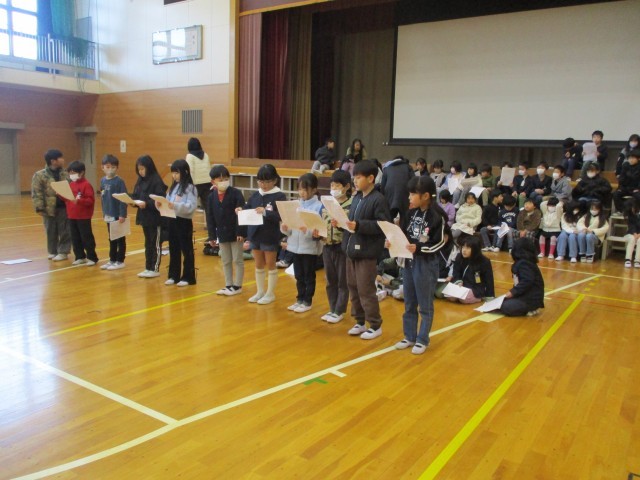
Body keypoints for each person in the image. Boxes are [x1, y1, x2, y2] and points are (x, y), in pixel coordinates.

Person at [334, 160, 391, 340]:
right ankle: (359, 321)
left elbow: (383, 225)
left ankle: (375, 324)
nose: (355, 181)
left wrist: (359, 225)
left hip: (366, 253)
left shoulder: (378, 199)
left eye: (358, 177)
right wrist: (341, 223)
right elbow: (352, 223)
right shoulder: (357, 198)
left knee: (366, 289)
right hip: (351, 250)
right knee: (352, 287)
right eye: (354, 177)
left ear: (371, 178)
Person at [392, 175, 448, 355]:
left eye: (412, 194)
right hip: (409, 262)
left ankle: (422, 339)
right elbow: (404, 236)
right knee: (409, 301)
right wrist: (393, 242)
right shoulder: (410, 213)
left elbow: (440, 242)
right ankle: (409, 336)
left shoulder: (437, 216)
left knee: (424, 304)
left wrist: (420, 248)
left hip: (426, 264)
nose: (409, 197)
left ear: (425, 196)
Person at [237, 164, 287, 304]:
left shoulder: (280, 196)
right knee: (258, 264)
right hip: (255, 234)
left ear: (275, 180)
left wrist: (265, 212)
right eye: (260, 181)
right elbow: (248, 207)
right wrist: (241, 209)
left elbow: (281, 216)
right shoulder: (255, 195)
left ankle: (270, 293)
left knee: (270, 264)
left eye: (267, 182)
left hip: (270, 235)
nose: (263, 185)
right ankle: (260, 292)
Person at [282, 173, 324, 313]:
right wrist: (285, 228)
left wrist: (308, 231)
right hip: (295, 247)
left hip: (309, 248)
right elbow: (291, 229)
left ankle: (307, 301)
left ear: (314, 189)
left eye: (305, 189)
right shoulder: (296, 205)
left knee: (308, 275)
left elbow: (319, 230)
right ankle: (299, 299)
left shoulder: (319, 207)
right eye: (299, 189)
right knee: (298, 275)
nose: (301, 193)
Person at [207, 165, 247, 295]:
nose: (223, 181)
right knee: (226, 260)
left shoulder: (236, 193)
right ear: (213, 181)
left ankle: (237, 286)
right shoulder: (211, 197)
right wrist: (212, 236)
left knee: (237, 259)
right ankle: (228, 284)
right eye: (220, 179)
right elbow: (210, 217)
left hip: (236, 233)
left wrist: (241, 232)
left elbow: (241, 214)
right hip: (222, 233)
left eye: (225, 179)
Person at [320, 170, 352, 323]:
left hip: (341, 247)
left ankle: (339, 310)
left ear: (346, 187)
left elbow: (351, 228)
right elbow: (322, 223)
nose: (334, 188)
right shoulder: (327, 204)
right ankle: (332, 308)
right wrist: (318, 232)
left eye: (337, 185)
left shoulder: (351, 205)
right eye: (332, 185)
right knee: (330, 280)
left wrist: (340, 225)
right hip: (327, 245)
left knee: (342, 281)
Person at [160, 159, 197, 286]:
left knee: (186, 249)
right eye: (173, 173)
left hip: (184, 222)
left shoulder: (191, 188)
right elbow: (167, 201)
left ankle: (188, 277)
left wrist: (175, 206)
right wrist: (160, 204)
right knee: (173, 248)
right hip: (172, 220)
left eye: (177, 173)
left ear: (185, 172)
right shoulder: (173, 187)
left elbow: (191, 207)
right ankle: (173, 275)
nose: (174, 176)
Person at [31, 149, 71, 261]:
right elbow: (36, 192)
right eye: (60, 158)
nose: (63, 160)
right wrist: (39, 207)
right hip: (49, 208)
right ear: (53, 161)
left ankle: (63, 251)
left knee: (65, 230)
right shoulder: (39, 175)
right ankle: (52, 251)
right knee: (50, 230)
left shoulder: (66, 173)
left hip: (63, 207)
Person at [132, 155, 167, 278]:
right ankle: (148, 267)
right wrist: (132, 202)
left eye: (142, 169)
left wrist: (147, 204)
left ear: (149, 167)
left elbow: (160, 200)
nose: (141, 172)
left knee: (155, 243)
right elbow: (136, 195)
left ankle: (155, 268)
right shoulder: (140, 180)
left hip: (155, 218)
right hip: (144, 217)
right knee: (148, 243)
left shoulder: (156, 180)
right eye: (139, 169)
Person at [64, 161, 98, 266]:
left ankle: (92, 257)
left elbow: (90, 201)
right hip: (72, 215)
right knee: (75, 237)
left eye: (73, 173)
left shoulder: (86, 185)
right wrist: (61, 194)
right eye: (70, 173)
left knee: (86, 237)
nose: (71, 175)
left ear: (82, 172)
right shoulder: (71, 184)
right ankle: (80, 256)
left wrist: (79, 201)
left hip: (83, 216)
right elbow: (67, 199)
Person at [500, 237, 545, 317]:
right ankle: (529, 308)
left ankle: (529, 309)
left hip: (530, 298)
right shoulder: (524, 262)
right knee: (502, 301)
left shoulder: (524, 264)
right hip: (526, 296)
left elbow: (527, 281)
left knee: (505, 306)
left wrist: (513, 292)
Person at [443, 235, 495, 304]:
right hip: (461, 285)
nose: (464, 250)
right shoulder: (459, 257)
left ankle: (478, 298)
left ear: (475, 249)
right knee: (449, 296)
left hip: (476, 288)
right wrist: (458, 281)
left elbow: (489, 280)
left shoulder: (484, 261)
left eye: (467, 248)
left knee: (463, 299)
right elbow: (456, 272)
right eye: (463, 247)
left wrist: (489, 296)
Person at [100, 154, 128, 271]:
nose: (110, 169)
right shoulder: (102, 180)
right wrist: (104, 213)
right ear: (102, 167)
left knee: (120, 238)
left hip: (117, 215)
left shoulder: (119, 182)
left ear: (117, 168)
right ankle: (112, 259)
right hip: (108, 214)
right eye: (108, 167)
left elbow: (123, 199)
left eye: (113, 167)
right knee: (111, 237)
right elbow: (103, 198)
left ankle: (120, 260)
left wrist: (122, 214)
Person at [185, 137, 212, 222]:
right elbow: (209, 168)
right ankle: (209, 225)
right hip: (207, 183)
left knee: (190, 205)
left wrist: (189, 185)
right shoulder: (206, 155)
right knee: (208, 207)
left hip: (196, 184)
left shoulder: (189, 156)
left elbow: (190, 171)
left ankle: (187, 223)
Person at [381, 155, 414, 225]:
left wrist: (383, 198)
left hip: (390, 196)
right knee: (405, 219)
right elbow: (414, 182)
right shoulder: (408, 167)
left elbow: (382, 186)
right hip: (405, 196)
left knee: (388, 218)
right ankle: (403, 231)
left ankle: (390, 231)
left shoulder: (387, 169)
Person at [623, 198, 640, 268]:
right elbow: (630, 225)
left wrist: (639, 234)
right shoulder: (629, 214)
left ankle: (637, 260)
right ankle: (628, 259)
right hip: (630, 233)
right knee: (632, 239)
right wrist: (634, 233)